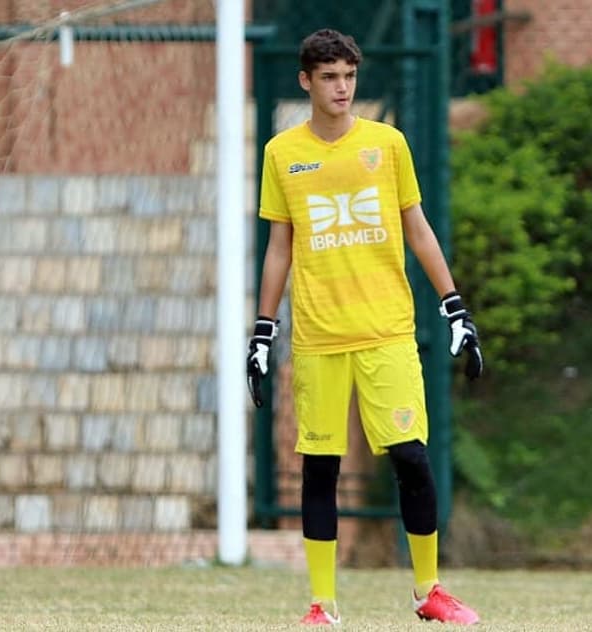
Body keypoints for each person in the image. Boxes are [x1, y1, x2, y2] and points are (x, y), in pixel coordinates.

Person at [246, 28, 483, 627]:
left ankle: (429, 590)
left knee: (412, 459)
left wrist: (454, 305)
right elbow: (280, 248)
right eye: (328, 77)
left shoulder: (388, 144)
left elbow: (418, 228)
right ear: (306, 81)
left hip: (387, 333)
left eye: (349, 75)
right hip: (321, 338)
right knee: (319, 469)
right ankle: (322, 606)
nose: (341, 87)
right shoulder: (282, 154)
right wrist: (262, 330)